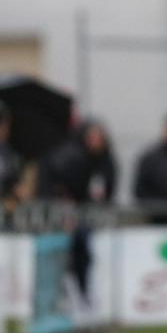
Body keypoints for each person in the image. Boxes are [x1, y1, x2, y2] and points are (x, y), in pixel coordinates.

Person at [39, 119, 117, 303]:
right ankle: (74, 293)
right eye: (92, 137)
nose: (95, 142)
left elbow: (107, 192)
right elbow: (63, 189)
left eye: (98, 138)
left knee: (88, 253)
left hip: (94, 217)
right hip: (72, 217)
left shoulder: (106, 163)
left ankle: (86, 294)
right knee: (72, 251)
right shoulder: (73, 159)